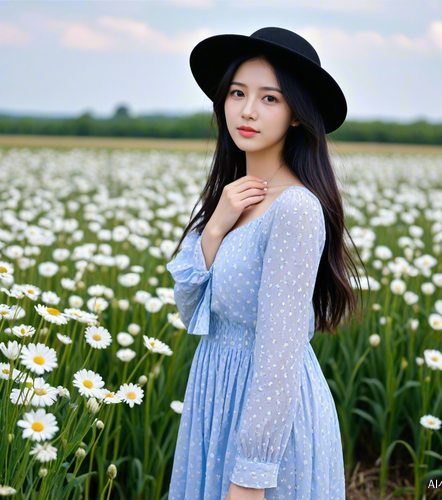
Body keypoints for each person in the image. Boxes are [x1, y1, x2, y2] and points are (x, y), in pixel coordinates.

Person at [166, 27, 368, 500]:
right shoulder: (231, 201)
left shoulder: (295, 209)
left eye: (270, 98)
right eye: (237, 93)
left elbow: (281, 350)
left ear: (297, 115)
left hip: (266, 423)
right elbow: (190, 309)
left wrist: (251, 474)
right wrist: (215, 226)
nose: (248, 110)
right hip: (215, 399)